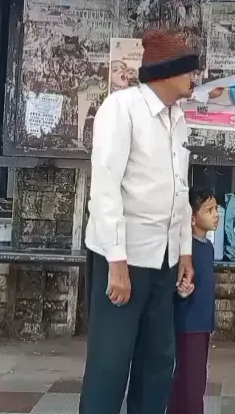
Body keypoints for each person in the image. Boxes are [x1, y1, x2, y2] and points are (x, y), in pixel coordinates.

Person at [81, 29, 198, 414]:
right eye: (188, 70)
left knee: (158, 362)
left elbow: (180, 189)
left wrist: (184, 252)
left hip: (164, 259)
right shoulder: (122, 108)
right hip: (124, 258)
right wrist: (116, 261)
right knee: (110, 364)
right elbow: (106, 187)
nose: (194, 78)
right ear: (166, 72)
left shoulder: (178, 119)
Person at [168, 187, 220, 414]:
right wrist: (182, 292)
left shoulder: (208, 247)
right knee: (191, 383)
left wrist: (211, 323)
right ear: (191, 218)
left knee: (193, 379)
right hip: (188, 324)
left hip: (202, 325)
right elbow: (178, 287)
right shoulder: (185, 252)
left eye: (216, 209)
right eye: (209, 210)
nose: (216, 214)